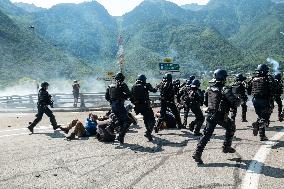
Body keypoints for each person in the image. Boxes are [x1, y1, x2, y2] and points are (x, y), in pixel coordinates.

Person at [192, 69, 241, 164]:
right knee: (231, 127)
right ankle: (226, 147)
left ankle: (197, 152)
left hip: (210, 114)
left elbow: (206, 102)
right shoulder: (225, 89)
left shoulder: (209, 89)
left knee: (206, 135)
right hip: (220, 115)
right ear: (223, 78)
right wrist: (239, 98)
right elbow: (236, 102)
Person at [247, 64, 275, 141]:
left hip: (255, 100)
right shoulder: (268, 78)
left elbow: (248, 91)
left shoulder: (253, 79)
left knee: (260, 117)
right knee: (265, 119)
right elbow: (273, 89)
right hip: (265, 100)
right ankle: (257, 125)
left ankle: (262, 136)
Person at [105, 72, 131, 144]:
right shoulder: (122, 84)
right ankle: (119, 135)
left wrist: (112, 101)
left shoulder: (110, 85)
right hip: (119, 105)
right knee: (128, 121)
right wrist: (123, 96)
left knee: (120, 121)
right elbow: (129, 94)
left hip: (113, 105)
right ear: (122, 78)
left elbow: (106, 97)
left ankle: (112, 127)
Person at [131, 74, 157, 141]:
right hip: (145, 105)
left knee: (145, 119)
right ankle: (148, 132)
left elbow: (130, 96)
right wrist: (157, 87)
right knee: (152, 120)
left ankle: (147, 131)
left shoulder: (133, 86)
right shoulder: (146, 85)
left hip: (137, 107)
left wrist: (135, 103)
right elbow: (154, 91)